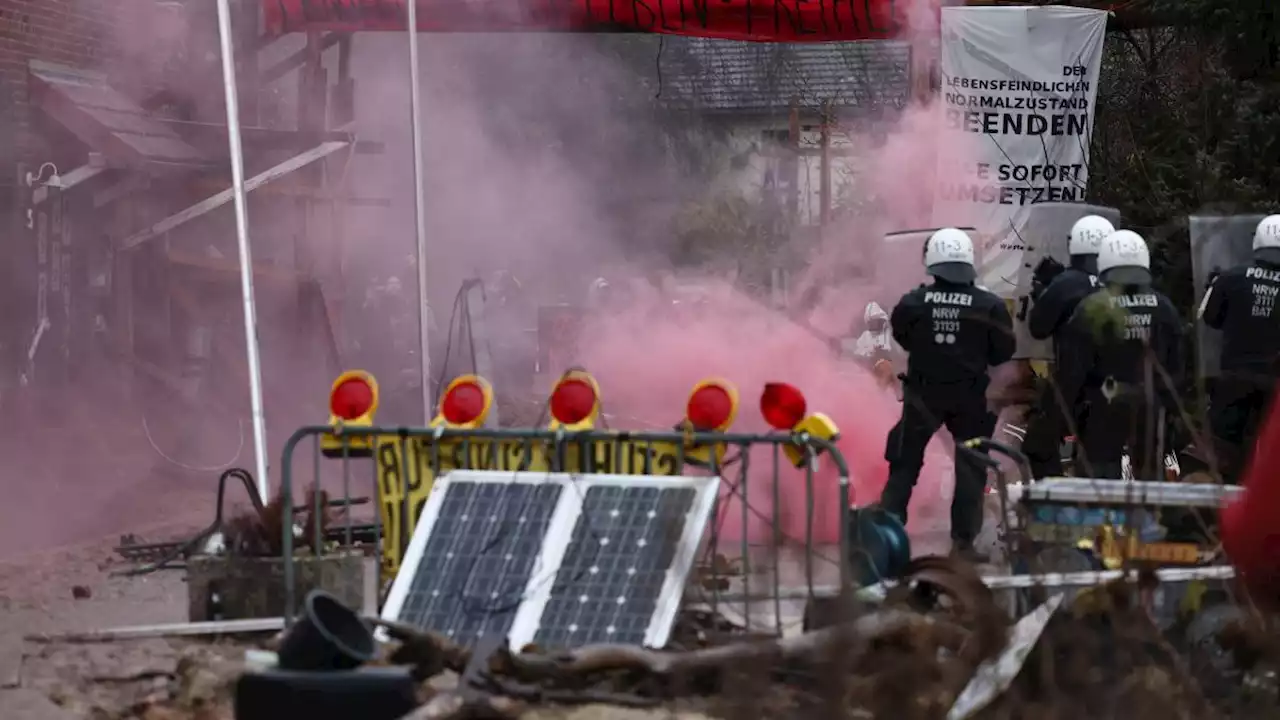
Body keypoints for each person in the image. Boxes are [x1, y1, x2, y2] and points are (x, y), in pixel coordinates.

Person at [879, 227, 1015, 562]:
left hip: (923, 396)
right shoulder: (990, 305)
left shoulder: (913, 302)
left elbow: (903, 337)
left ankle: (886, 534)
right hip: (971, 400)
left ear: (932, 263)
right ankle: (963, 545)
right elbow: (1001, 352)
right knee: (970, 468)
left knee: (904, 463)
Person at [1055, 230, 1183, 481]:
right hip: (1150, 402)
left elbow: (1072, 370)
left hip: (1104, 403)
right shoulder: (1164, 307)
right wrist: (1170, 409)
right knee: (1151, 481)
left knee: (1099, 480)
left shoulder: (1092, 307)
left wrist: (1064, 414)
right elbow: (1176, 365)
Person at [1021, 214, 1113, 478]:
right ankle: (1101, 515)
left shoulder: (1067, 282)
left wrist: (1042, 294)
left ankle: (1056, 504)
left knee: (1038, 447)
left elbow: (1038, 328)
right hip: (1116, 385)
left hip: (1070, 381)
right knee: (1101, 460)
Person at [1198, 214, 1280, 482]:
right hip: (1275, 385)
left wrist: (1213, 284)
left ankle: (1223, 507)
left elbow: (1210, 318)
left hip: (1234, 378)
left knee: (1222, 448)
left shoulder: (1232, 277)